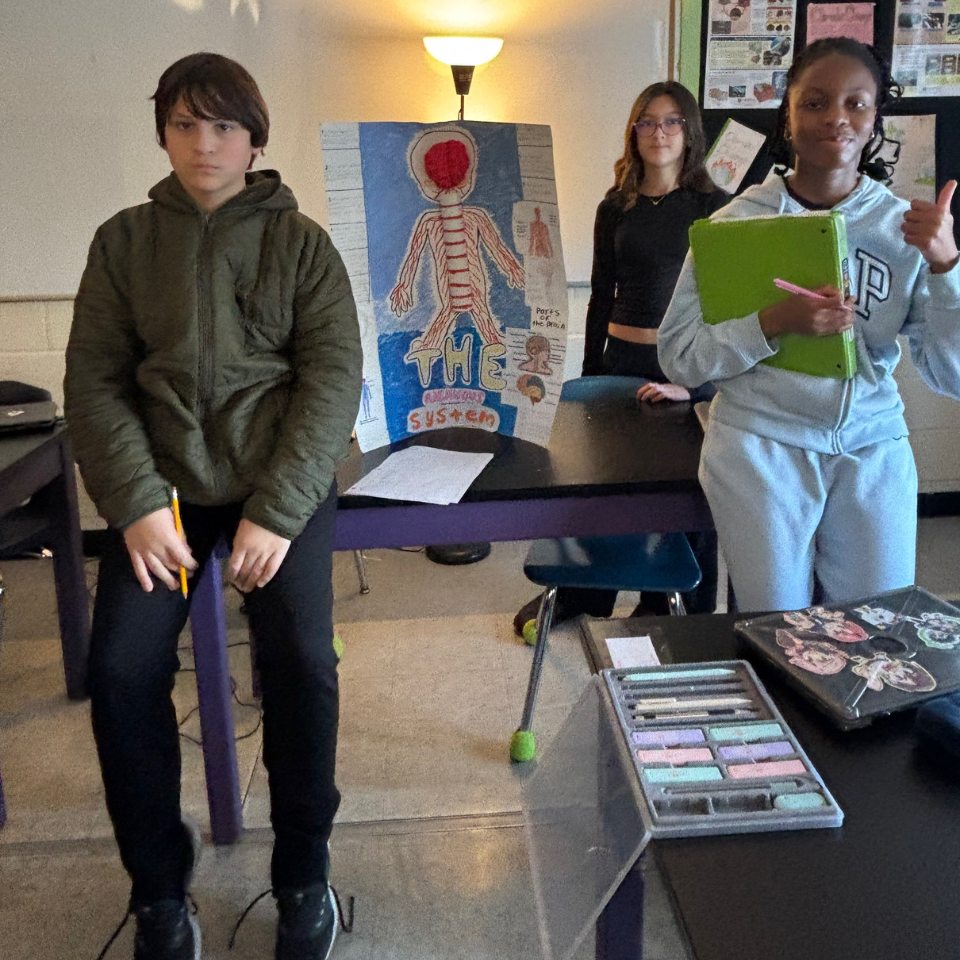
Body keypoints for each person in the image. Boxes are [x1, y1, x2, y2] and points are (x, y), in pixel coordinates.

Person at [65, 53, 362, 960]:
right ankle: (159, 888)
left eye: (224, 126)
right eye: (186, 124)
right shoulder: (122, 241)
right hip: (161, 499)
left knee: (304, 660)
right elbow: (94, 382)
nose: (205, 143)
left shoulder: (302, 243)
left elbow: (332, 379)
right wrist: (136, 505)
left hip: (278, 492)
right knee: (118, 672)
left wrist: (277, 511)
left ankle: (305, 875)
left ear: (255, 139)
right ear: (163, 131)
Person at [658, 38, 960, 613]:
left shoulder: (908, 230)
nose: (837, 119)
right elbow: (680, 357)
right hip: (759, 447)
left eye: (857, 104)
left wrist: (947, 267)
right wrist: (771, 322)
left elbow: (952, 376)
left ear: (875, 121)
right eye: (815, 103)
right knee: (778, 626)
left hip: (873, 449)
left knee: (875, 627)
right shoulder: (734, 225)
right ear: (788, 117)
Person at [514, 81, 727, 635]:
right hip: (617, 365)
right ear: (633, 133)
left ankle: (674, 609)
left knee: (684, 499)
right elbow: (601, 295)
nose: (659, 133)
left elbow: (727, 312)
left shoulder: (715, 208)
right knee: (604, 487)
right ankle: (588, 594)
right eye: (647, 122)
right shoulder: (616, 206)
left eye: (672, 122)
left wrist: (699, 388)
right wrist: (590, 376)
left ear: (690, 133)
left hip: (682, 372)